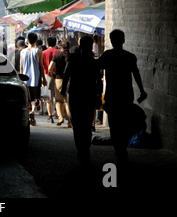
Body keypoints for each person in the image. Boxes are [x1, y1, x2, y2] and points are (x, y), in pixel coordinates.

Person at [97, 29, 147, 164]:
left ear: (112, 41)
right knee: (124, 123)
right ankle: (122, 148)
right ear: (123, 40)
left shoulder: (108, 55)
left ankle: (119, 149)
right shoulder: (130, 57)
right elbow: (136, 74)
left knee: (114, 124)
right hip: (126, 95)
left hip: (112, 95)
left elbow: (96, 68)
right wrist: (142, 90)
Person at [61, 36, 102, 166]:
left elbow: (66, 75)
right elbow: (98, 82)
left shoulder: (73, 59)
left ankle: (81, 150)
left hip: (75, 95)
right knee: (86, 124)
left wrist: (63, 90)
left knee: (77, 125)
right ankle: (86, 149)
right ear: (90, 46)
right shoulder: (93, 62)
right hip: (89, 95)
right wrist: (98, 96)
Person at [20, 32, 47, 126]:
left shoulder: (22, 52)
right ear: (36, 41)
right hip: (35, 78)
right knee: (35, 98)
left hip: (25, 79)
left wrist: (21, 78)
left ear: (27, 40)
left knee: (28, 98)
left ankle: (30, 113)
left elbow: (21, 67)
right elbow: (41, 66)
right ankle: (32, 112)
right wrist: (44, 78)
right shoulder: (38, 51)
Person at [50, 40, 72, 128]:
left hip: (58, 80)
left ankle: (60, 118)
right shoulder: (72, 56)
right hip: (69, 81)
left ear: (60, 47)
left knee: (59, 101)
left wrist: (53, 75)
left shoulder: (56, 56)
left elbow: (49, 68)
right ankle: (69, 122)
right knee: (67, 102)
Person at [42, 37, 60, 123]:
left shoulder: (43, 53)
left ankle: (50, 116)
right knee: (58, 97)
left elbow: (41, 66)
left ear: (47, 43)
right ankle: (59, 114)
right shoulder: (59, 52)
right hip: (58, 76)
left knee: (48, 97)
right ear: (55, 43)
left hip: (47, 76)